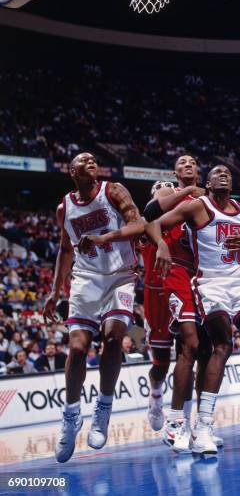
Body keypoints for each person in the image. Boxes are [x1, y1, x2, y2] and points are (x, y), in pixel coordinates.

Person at [146, 165, 240, 454]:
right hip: (210, 284)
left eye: (228, 172)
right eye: (217, 173)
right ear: (208, 182)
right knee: (222, 346)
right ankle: (202, 427)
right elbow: (153, 223)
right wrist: (162, 248)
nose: (224, 175)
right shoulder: (197, 206)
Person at [43, 152, 144, 463]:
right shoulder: (65, 208)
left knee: (114, 337)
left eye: (93, 159)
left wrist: (105, 238)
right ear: (72, 171)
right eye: (83, 160)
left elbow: (139, 224)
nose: (91, 161)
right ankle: (71, 416)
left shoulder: (113, 191)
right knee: (76, 347)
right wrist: (54, 290)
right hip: (86, 279)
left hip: (121, 275)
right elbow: (64, 249)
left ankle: (103, 406)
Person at [140, 158, 220, 453]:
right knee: (161, 362)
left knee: (196, 348)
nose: (164, 193)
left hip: (188, 281)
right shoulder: (150, 222)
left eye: (167, 190)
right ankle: (157, 394)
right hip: (156, 291)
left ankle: (192, 424)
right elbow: (148, 215)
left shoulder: (193, 211)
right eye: (160, 191)